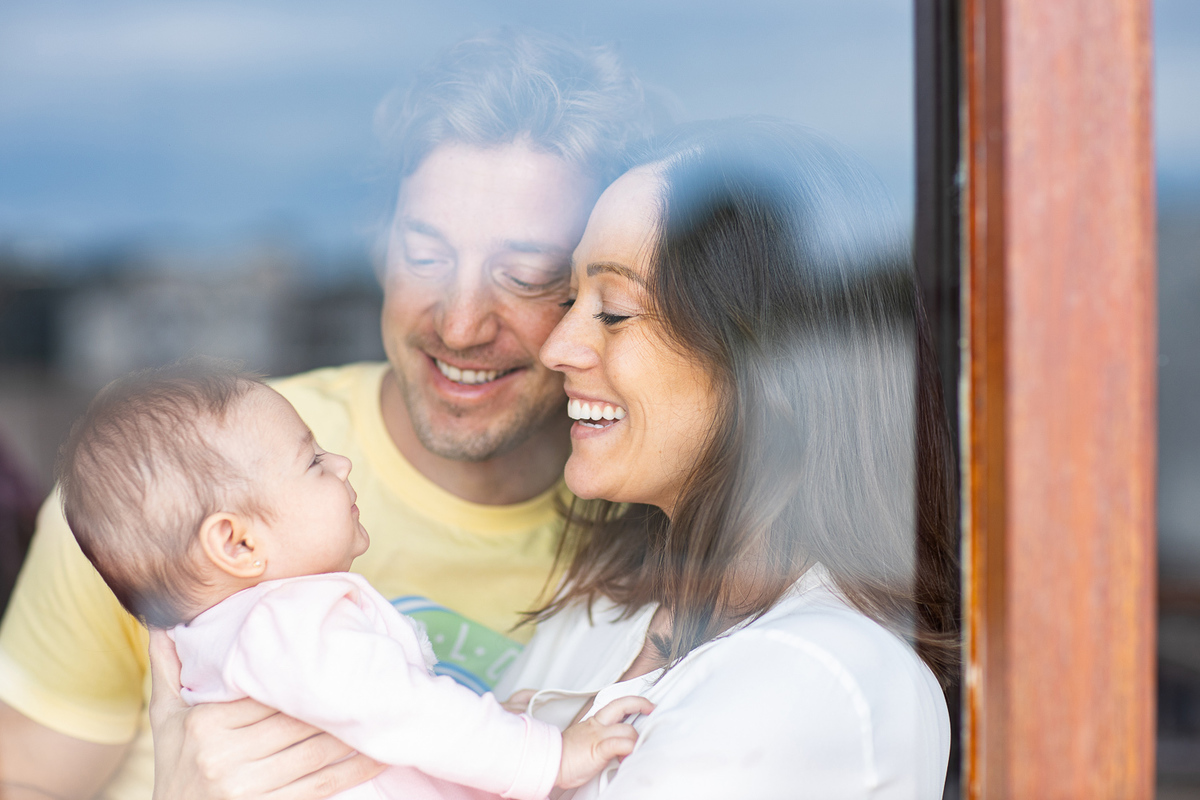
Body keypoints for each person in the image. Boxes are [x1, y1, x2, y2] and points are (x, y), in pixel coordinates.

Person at [0, 29, 652, 800]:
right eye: (426, 254)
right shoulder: (179, 482)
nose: (462, 323)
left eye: (525, 273)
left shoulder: (648, 518)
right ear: (377, 248)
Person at [495, 120, 960, 798]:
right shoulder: (602, 610)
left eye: (615, 311)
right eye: (572, 300)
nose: (558, 347)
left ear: (770, 364)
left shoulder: (813, 676)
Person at [56, 362, 652, 800]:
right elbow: (405, 713)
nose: (340, 464)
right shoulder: (286, 625)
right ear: (238, 543)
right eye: (313, 462)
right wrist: (546, 757)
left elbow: (391, 723)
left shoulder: (237, 641)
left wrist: (494, 719)